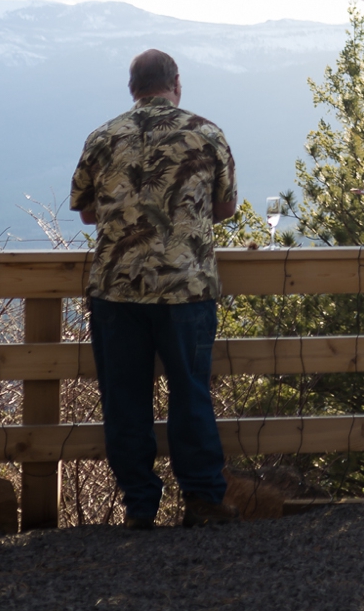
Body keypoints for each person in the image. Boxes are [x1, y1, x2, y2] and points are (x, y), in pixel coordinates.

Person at [70, 48, 240, 530]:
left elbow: (84, 209)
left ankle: (140, 506)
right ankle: (204, 501)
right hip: (187, 289)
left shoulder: (103, 137)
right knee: (190, 394)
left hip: (116, 291)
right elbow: (225, 207)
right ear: (176, 83)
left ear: (132, 88)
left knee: (124, 400)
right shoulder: (207, 134)